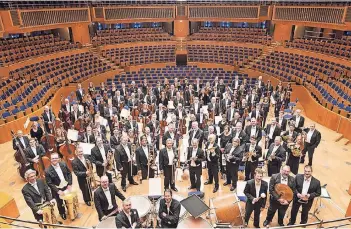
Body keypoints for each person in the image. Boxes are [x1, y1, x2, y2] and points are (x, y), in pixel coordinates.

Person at [45, 153, 72, 220]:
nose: (54, 159)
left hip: (66, 186)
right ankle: (62, 213)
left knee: (67, 199)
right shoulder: (47, 171)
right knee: (60, 203)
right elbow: (49, 183)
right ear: (50, 160)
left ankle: (70, 209)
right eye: (53, 158)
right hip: (57, 189)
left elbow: (69, 173)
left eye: (56, 158)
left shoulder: (63, 164)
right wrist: (57, 191)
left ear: (59, 159)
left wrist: (69, 184)